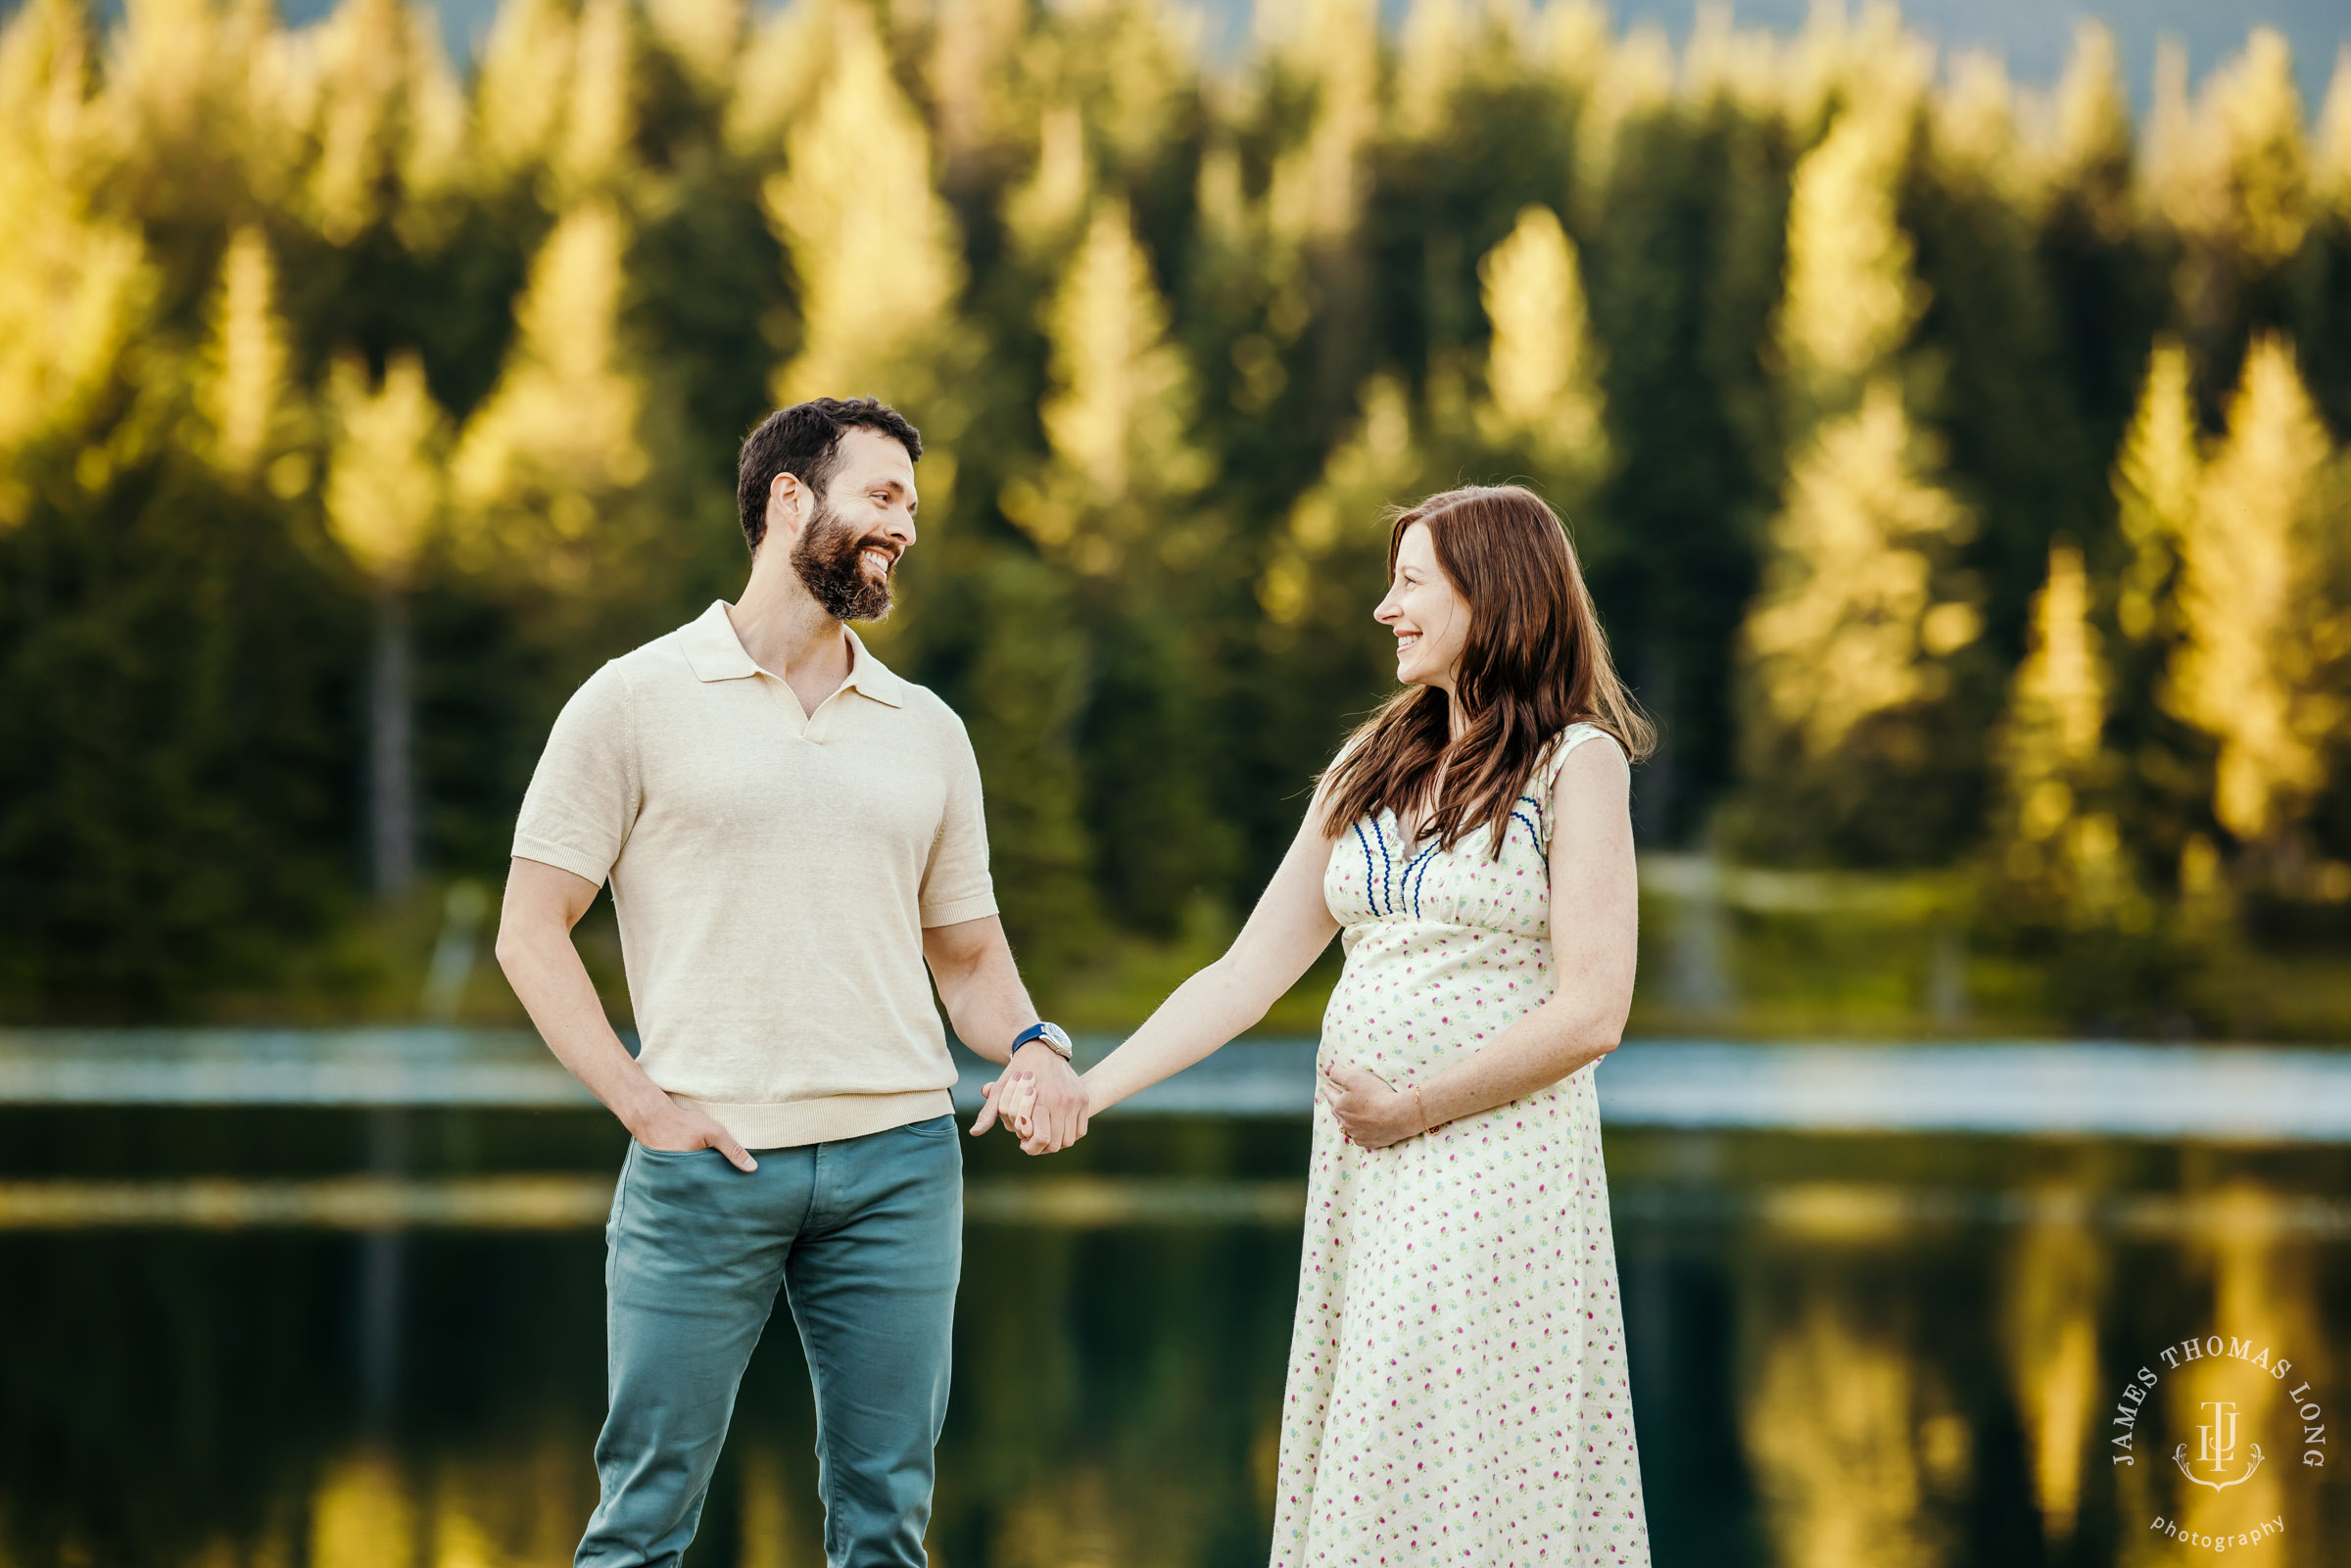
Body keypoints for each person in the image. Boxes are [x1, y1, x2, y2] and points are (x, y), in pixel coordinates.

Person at [494, 396, 1088, 1568]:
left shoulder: (927, 727)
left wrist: (1030, 1040)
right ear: (787, 499)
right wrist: (641, 1103)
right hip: (701, 1162)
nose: (905, 526)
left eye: (912, 505)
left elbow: (965, 954)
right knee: (642, 1520)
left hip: (902, 1167)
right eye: (882, 495)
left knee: (886, 1527)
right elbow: (530, 930)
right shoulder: (632, 698)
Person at [1075, 485, 1655, 1564]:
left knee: (1446, 1441)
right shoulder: (1368, 764)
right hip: (1369, 1169)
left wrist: (1414, 1106)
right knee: (1379, 1453)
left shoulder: (1578, 764)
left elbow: (1594, 1008)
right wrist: (1091, 1088)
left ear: (1495, 595)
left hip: (1495, 1166)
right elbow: (1244, 975)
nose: (1385, 608)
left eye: (1411, 583)